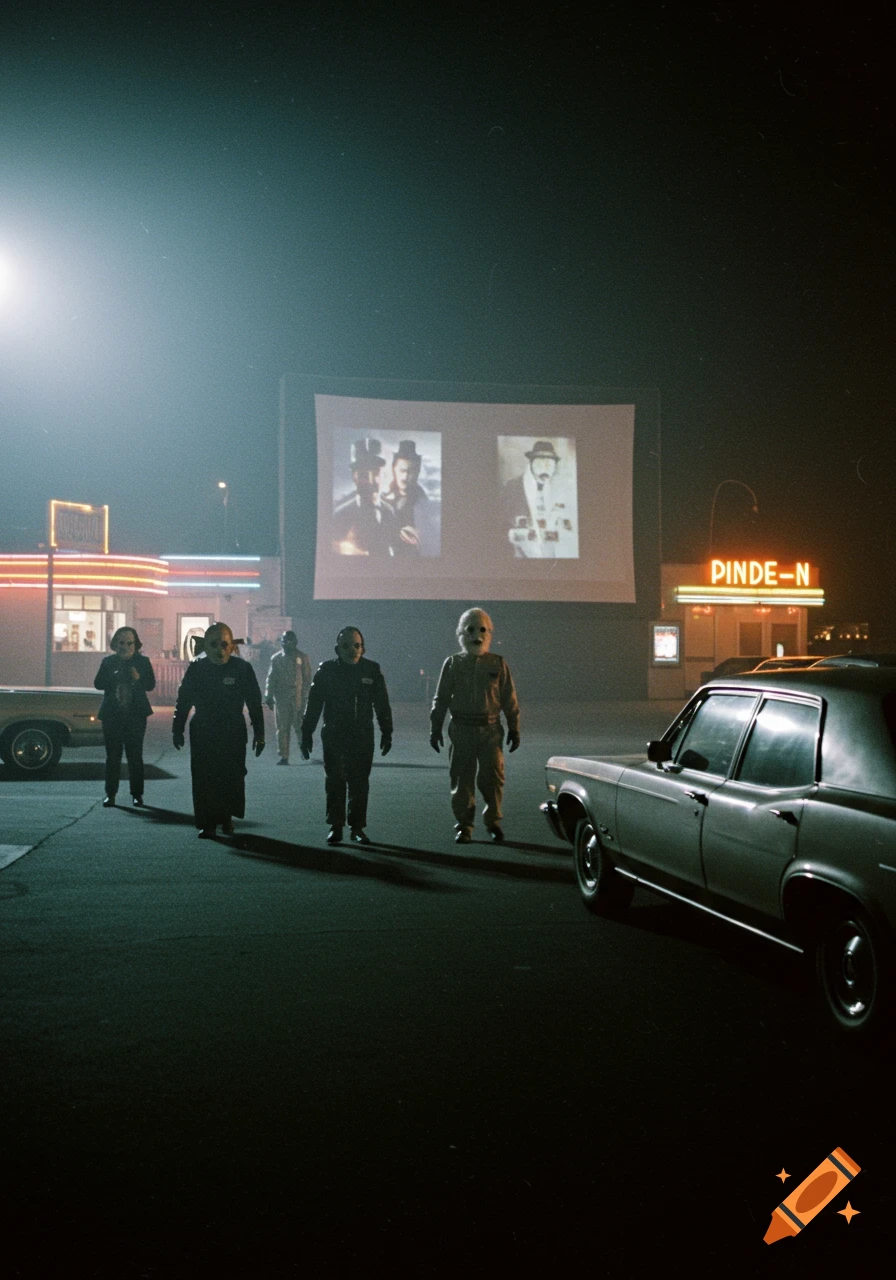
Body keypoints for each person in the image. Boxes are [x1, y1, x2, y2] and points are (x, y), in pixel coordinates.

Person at [430, 608, 520, 844]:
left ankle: (493, 822)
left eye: (481, 629)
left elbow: (509, 697)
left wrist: (514, 727)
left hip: (490, 730)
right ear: (461, 632)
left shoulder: (498, 664)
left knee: (493, 778)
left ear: (489, 633)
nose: (476, 635)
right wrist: (435, 727)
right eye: (470, 629)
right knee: (461, 780)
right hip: (461, 730)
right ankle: (464, 825)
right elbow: (440, 698)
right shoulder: (452, 664)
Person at [300, 626, 392, 846]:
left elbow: (382, 704)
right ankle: (336, 826)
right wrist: (306, 733)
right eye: (346, 646)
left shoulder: (371, 670)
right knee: (335, 781)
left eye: (357, 645)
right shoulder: (326, 671)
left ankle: (357, 827)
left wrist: (387, 731)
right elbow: (313, 704)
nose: (352, 650)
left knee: (360, 782)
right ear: (337, 649)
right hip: (334, 734)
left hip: (362, 734)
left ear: (364, 648)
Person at [172, 622, 265, 839]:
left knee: (231, 775)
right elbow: (183, 700)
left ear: (232, 645)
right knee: (204, 777)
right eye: (214, 644)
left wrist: (259, 732)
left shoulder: (242, 669)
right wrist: (178, 728)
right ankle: (207, 822)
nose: (220, 649)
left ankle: (226, 817)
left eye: (225, 644)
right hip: (203, 729)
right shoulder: (197, 669)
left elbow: (254, 702)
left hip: (232, 729)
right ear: (206, 645)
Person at [94, 626, 157, 808]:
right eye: (121, 642)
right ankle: (110, 794)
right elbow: (98, 683)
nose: (125, 646)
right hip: (112, 715)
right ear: (115, 644)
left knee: (135, 755)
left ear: (135, 644)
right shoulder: (108, 662)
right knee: (113, 756)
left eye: (129, 643)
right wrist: (111, 677)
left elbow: (150, 685)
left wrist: (138, 678)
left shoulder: (143, 661)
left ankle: (137, 794)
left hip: (136, 715)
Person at [501, 439, 577, 558]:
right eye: (540, 463)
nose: (545, 469)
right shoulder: (513, 487)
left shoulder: (558, 490)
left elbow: (568, 526)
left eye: (550, 464)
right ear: (531, 464)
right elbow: (503, 525)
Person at [331, 437, 399, 557]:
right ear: (354, 476)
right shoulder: (341, 515)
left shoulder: (389, 512)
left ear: (383, 474)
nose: (370, 481)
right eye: (363, 474)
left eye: (376, 472)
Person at [381, 439, 440, 556]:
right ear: (394, 469)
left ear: (417, 472)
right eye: (402, 470)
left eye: (411, 472)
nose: (405, 477)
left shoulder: (424, 506)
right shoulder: (383, 498)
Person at [264, 630, 313, 765]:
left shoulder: (303, 658)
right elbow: (271, 678)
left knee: (300, 726)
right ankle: (284, 756)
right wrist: (268, 695)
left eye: (290, 641)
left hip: (298, 696)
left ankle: (304, 748)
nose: (287, 644)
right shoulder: (276, 658)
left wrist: (306, 697)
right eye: (284, 641)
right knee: (282, 727)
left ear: (295, 642)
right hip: (281, 698)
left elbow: (307, 679)